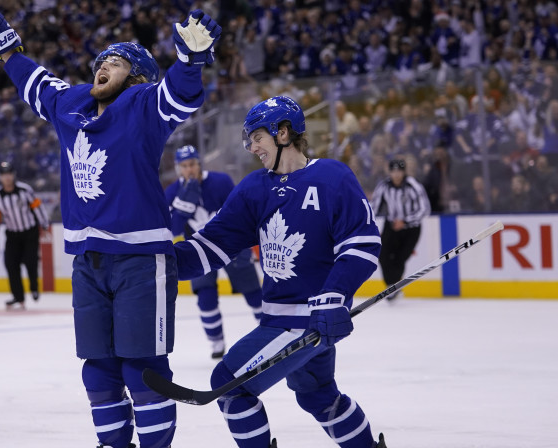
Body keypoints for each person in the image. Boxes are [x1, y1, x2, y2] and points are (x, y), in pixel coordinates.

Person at [0, 7, 221, 448]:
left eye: (117, 62)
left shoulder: (142, 104)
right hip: (88, 262)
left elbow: (179, 96)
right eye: (102, 61)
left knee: (141, 367)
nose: (104, 65)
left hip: (141, 261)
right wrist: (4, 44)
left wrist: (190, 62)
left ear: (137, 78)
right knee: (98, 370)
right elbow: (37, 83)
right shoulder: (74, 104)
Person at [173, 96, 386, 447]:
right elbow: (214, 243)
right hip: (283, 320)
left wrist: (334, 297)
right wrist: (165, 262)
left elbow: (362, 244)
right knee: (317, 394)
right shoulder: (255, 188)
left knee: (229, 384)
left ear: (283, 132)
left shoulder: (332, 177)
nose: (251, 146)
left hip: (306, 320)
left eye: (257, 137)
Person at [165, 145, 262, 358]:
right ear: (178, 168)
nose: (189, 169)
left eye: (192, 164)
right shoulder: (172, 193)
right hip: (198, 252)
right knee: (206, 298)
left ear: (199, 163)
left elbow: (239, 212)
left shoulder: (221, 182)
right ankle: (217, 343)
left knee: (254, 293)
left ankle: (271, 334)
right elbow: (171, 230)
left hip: (233, 246)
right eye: (184, 166)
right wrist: (182, 207)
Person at [0, 161, 49, 308]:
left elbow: (37, 207)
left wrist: (45, 224)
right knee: (10, 264)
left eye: (9, 174)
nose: (7, 177)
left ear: (13, 175)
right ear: (0, 177)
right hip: (12, 234)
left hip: (29, 232)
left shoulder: (24, 190)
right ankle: (18, 297)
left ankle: (34, 288)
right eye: (4, 175)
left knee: (30, 261)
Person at [370, 159, 430, 301]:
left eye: (399, 171)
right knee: (383, 255)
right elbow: (374, 207)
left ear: (404, 172)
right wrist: (367, 224)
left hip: (411, 228)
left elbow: (424, 209)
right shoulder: (384, 186)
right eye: (393, 171)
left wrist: (405, 221)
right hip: (391, 226)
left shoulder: (413, 185)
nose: (396, 175)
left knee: (400, 258)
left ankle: (394, 287)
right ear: (389, 172)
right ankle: (392, 286)